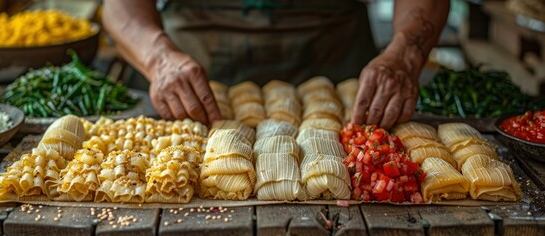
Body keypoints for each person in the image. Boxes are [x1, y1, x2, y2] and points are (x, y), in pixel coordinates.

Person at [102, 0, 449, 129]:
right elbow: (118, 6)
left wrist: (404, 55)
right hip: (197, 78)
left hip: (342, 75)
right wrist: (159, 58)